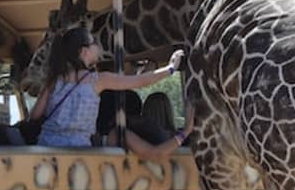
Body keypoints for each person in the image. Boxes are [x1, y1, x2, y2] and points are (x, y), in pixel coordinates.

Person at [29, 26, 185, 148]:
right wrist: (169, 69)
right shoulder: (98, 80)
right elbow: (139, 81)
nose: (97, 46)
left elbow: (35, 115)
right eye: (93, 43)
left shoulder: (54, 80)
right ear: (84, 52)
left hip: (47, 147)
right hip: (78, 151)